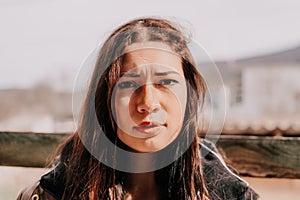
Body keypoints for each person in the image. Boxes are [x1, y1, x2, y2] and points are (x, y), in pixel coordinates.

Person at [17, 17, 259, 200]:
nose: (147, 103)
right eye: (129, 84)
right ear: (105, 99)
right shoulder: (53, 193)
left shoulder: (226, 193)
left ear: (190, 96)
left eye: (166, 82)